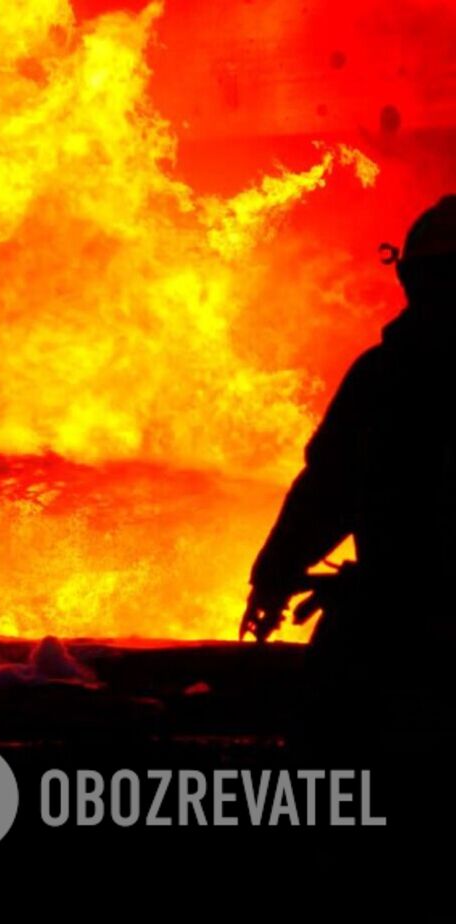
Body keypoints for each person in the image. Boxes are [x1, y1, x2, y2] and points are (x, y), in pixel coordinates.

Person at [243, 195, 456, 816]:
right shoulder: (386, 376)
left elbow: (328, 490)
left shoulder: (386, 376)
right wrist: (275, 575)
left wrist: (275, 578)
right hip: (397, 615)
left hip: (395, 624)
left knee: (331, 757)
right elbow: (329, 490)